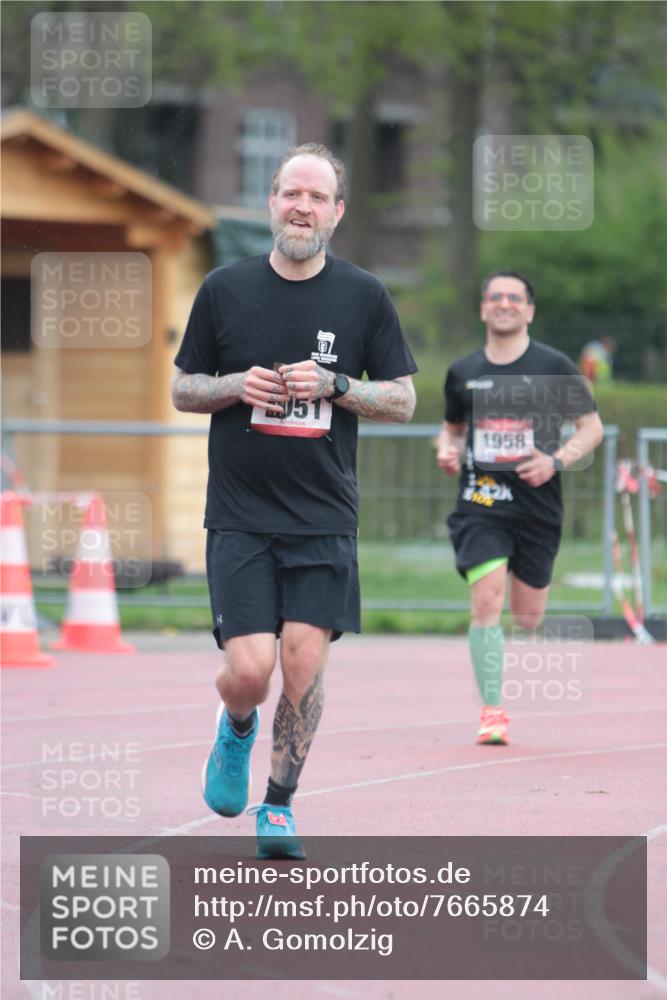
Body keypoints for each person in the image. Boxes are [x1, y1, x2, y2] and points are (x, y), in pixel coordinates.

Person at [172, 143, 417, 857]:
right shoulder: (223, 287)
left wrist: (337, 387)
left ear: (336, 213)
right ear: (271, 202)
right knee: (250, 671)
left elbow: (401, 399)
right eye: (290, 194)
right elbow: (183, 387)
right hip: (242, 515)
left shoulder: (364, 296)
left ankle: (277, 805)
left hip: (323, 517)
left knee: (303, 664)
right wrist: (232, 385)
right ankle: (236, 725)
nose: (301, 207)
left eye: (317, 197)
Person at [436, 271, 603, 745]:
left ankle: (520, 613)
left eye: (514, 297)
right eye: (495, 297)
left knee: (527, 618)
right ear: (484, 308)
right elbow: (451, 429)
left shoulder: (554, 366)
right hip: (482, 502)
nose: (504, 303)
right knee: (486, 602)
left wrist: (556, 460)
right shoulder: (463, 371)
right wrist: (447, 451)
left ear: (529, 310)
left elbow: (591, 428)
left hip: (538, 506)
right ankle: (492, 712)